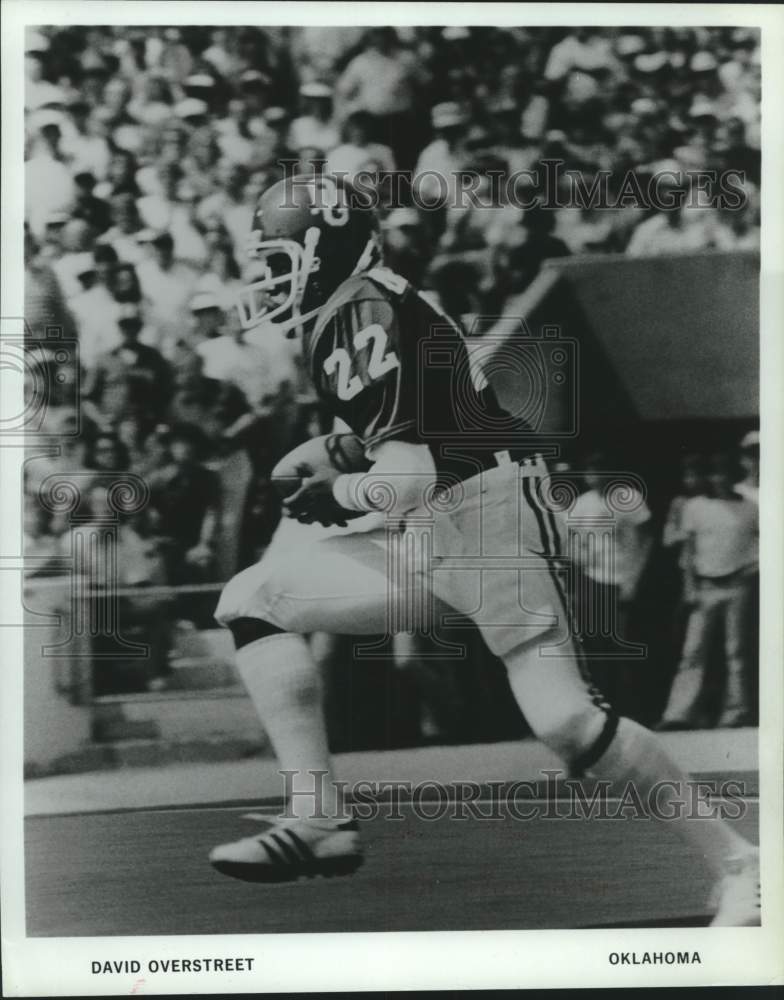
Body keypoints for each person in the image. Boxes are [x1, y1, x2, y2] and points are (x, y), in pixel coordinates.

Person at [208, 174, 758, 925]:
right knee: (253, 599)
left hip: (488, 518)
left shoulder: (359, 309)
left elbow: (409, 471)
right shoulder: (362, 303)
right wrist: (337, 447)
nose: (270, 280)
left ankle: (741, 864)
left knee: (566, 722)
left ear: (323, 249)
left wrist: (334, 494)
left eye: (280, 261)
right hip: (437, 524)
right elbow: (421, 421)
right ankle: (319, 819)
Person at [659, 453, 758, 730]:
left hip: (738, 585)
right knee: (693, 652)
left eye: (726, 473)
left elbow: (764, 542)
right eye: (715, 474)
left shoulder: (750, 508)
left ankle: (736, 712)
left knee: (735, 651)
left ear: (734, 476)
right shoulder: (695, 507)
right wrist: (690, 587)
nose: (720, 480)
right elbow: (688, 552)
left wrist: (749, 571)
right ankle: (679, 714)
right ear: (710, 477)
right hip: (704, 586)